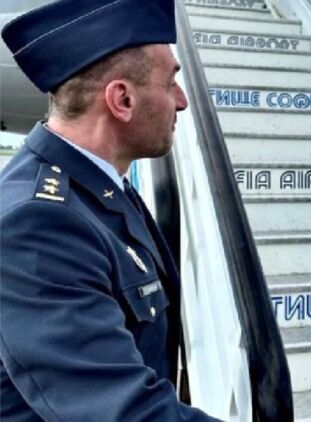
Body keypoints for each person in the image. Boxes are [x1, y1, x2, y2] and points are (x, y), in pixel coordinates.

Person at [0, 0, 223, 420]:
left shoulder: (100, 186)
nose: (181, 101)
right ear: (122, 99)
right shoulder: (37, 224)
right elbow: (124, 411)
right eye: (170, 83)